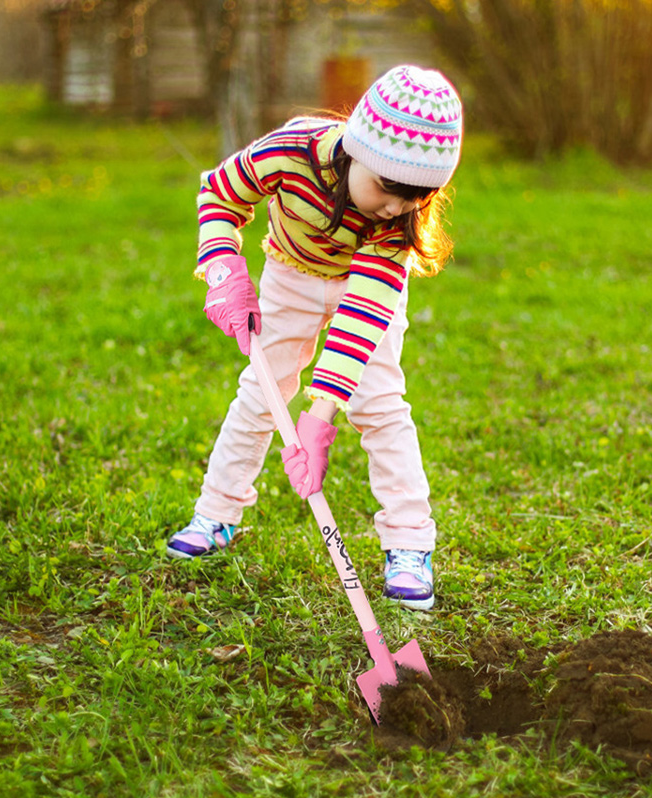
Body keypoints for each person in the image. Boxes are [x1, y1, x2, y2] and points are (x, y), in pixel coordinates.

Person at [166, 64, 463, 611]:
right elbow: (218, 195)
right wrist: (222, 267)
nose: (397, 207)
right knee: (262, 394)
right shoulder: (289, 152)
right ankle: (217, 514)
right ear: (357, 152)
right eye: (388, 189)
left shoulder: (396, 223)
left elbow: (363, 315)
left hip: (363, 287)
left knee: (379, 405)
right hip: (291, 274)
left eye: (416, 197)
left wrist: (321, 415)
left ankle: (408, 544)